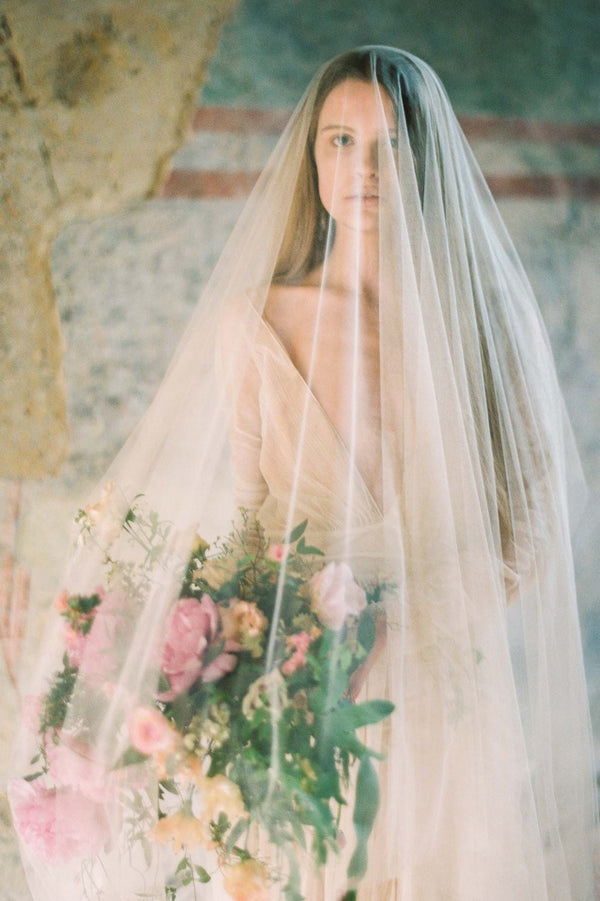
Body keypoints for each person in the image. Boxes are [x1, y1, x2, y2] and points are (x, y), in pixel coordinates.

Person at [9, 46, 598, 901]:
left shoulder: (477, 329)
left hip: (440, 692)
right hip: (300, 701)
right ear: (314, 158)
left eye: (391, 144)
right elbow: (253, 523)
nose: (363, 168)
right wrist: (238, 644)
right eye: (340, 141)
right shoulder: (255, 324)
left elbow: (529, 530)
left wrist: (390, 627)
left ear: (425, 160)